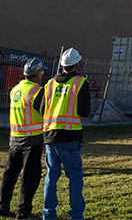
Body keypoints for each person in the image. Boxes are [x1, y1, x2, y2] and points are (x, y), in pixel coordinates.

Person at [42, 48, 90, 220]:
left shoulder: (49, 84)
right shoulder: (80, 82)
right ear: (77, 65)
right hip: (70, 137)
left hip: (50, 136)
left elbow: (42, 109)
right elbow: (84, 111)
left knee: (51, 176)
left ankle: (48, 214)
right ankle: (76, 215)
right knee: (75, 177)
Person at [1, 58, 46, 220]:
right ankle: (23, 212)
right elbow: (45, 113)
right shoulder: (37, 91)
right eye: (41, 72)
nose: (42, 75)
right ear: (37, 74)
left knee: (10, 174)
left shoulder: (16, 89)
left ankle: (2, 207)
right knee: (29, 177)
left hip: (15, 137)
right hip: (32, 140)